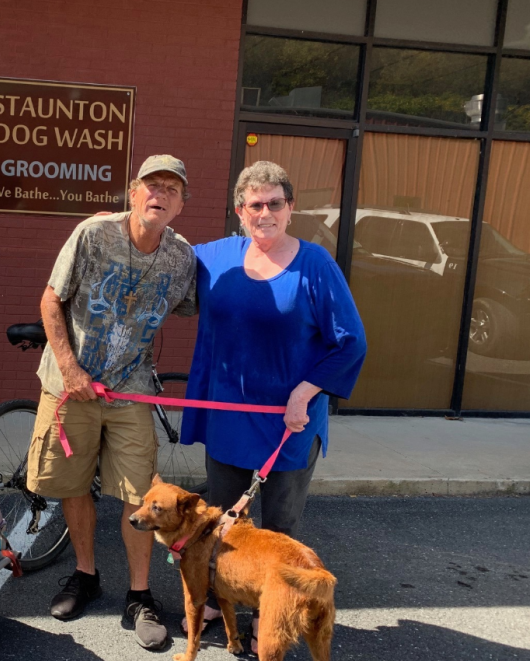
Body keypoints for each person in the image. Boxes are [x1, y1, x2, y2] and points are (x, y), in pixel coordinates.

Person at [180, 161, 367, 651]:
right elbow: (154, 252)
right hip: (228, 420)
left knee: (280, 531)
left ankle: (276, 612)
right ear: (239, 211)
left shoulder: (316, 266)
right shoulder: (212, 258)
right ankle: (223, 604)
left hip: (290, 421)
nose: (265, 213)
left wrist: (307, 391)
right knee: (223, 526)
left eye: (275, 204)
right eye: (254, 205)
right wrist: (111, 224)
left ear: (291, 208)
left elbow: (350, 343)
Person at [28, 155, 197, 650]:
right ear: (132, 191)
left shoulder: (181, 258)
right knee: (74, 483)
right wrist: (70, 367)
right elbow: (50, 299)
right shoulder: (93, 234)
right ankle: (85, 575)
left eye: (171, 188)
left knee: (139, 492)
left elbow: (210, 304)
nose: (159, 194)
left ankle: (140, 595)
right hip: (71, 384)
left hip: (131, 390)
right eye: (151, 184)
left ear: (181, 203)